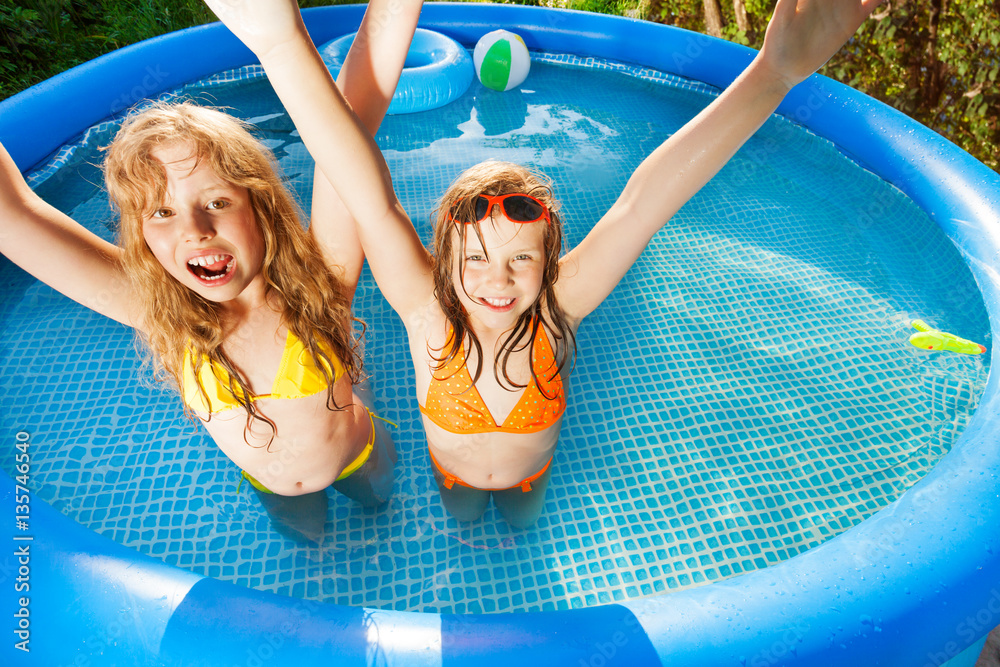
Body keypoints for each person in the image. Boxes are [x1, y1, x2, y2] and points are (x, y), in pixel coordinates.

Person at [205, 0, 883, 528]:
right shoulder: (424, 312)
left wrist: (775, 74)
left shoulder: (560, 307)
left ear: (549, 260)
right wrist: (280, 48)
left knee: (523, 519)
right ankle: (471, 521)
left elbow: (645, 202)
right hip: (452, 472)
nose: (496, 280)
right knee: (466, 517)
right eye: (474, 258)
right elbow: (366, 192)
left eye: (520, 258)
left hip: (534, 472)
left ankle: (516, 517)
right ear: (443, 260)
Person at [0, 0, 424, 544]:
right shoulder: (160, 315)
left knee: (383, 511)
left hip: (356, 452)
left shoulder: (320, 289)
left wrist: (296, 38)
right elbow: (15, 216)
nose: (194, 229)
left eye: (217, 201)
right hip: (270, 483)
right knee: (311, 548)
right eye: (162, 212)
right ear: (142, 238)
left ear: (261, 208)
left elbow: (357, 114)